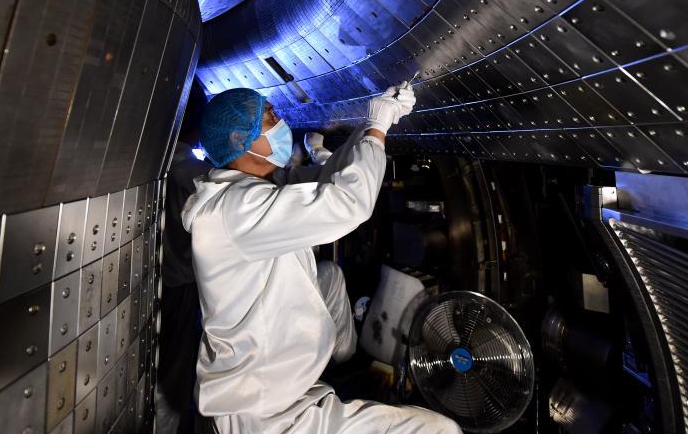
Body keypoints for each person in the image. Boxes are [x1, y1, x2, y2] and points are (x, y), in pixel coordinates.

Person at [181, 82, 462, 434]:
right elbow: (346, 202)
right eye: (270, 116)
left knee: (328, 276)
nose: (281, 121)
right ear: (240, 140)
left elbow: (326, 179)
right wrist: (377, 128)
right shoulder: (236, 209)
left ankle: (344, 360)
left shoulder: (251, 189)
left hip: (278, 388)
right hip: (265, 412)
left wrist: (372, 126)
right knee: (440, 430)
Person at [158, 84, 210, 434]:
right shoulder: (189, 167)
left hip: (161, 279)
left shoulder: (159, 159)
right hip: (181, 283)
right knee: (176, 368)